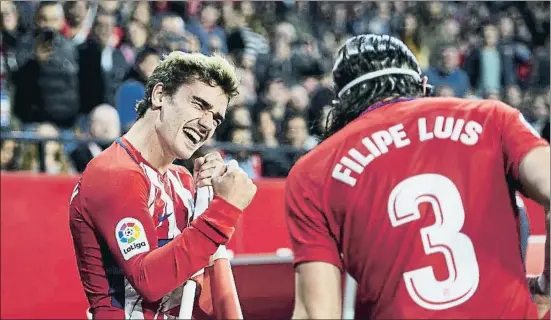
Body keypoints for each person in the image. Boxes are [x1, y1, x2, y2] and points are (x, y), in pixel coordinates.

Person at [285, 34, 550, 319]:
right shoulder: (491, 117)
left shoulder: (313, 169)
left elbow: (317, 314)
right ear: (422, 85)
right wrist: (546, 286)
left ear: (341, 104)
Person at [69, 51, 257, 319]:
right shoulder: (114, 173)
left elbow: (199, 285)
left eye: (216, 118)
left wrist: (210, 200)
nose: (207, 124)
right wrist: (224, 211)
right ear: (159, 96)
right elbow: (149, 281)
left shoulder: (181, 180)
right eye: (199, 104)